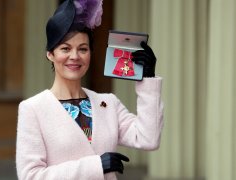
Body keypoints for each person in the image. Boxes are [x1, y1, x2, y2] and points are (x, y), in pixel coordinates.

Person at [16, 0, 164, 179]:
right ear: (50, 54)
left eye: (83, 49)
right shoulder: (33, 109)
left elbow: (148, 138)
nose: (74, 56)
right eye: (65, 48)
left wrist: (147, 79)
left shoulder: (108, 103)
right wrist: (96, 166)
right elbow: (30, 176)